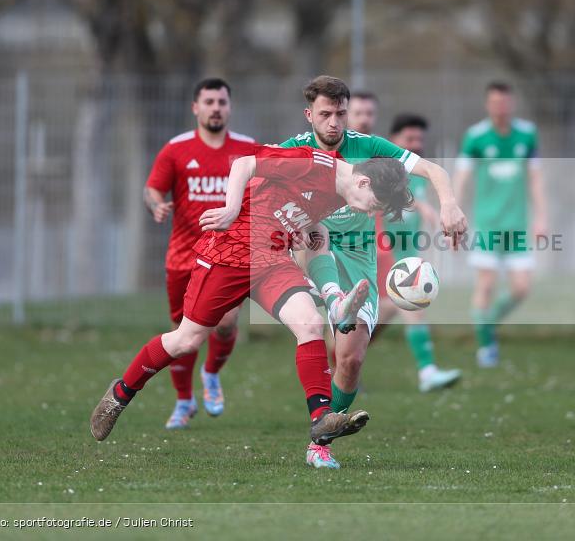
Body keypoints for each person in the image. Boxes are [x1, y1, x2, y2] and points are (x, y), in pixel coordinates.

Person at [91, 145, 414, 471]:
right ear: (363, 183)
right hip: (230, 252)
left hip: (273, 259)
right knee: (186, 340)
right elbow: (245, 164)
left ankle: (321, 417)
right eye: (376, 203)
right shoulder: (314, 165)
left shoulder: (345, 193)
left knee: (310, 324)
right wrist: (232, 209)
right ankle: (120, 393)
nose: (372, 211)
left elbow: (300, 208)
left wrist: (313, 229)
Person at [282, 76, 468, 423]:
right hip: (313, 251)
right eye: (325, 114)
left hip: (358, 259)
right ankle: (321, 428)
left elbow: (432, 169)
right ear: (310, 115)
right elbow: (257, 179)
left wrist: (449, 205)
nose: (334, 122)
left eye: (340, 113)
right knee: (308, 326)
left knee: (350, 360)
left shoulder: (368, 147)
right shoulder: (292, 149)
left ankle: (327, 427)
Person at [144, 77, 257, 430]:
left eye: (221, 102)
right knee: (182, 331)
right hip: (183, 256)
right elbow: (152, 188)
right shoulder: (176, 149)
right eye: (208, 102)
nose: (216, 108)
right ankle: (183, 401)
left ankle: (211, 373)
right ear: (196, 107)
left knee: (226, 322)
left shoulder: (248, 149)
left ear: (229, 107)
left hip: (230, 253)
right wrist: (157, 205)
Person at [453, 81, 548, 367]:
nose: (500, 108)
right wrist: (453, 210)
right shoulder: (476, 137)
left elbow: (535, 179)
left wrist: (542, 217)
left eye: (505, 102)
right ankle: (486, 347)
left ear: (512, 103)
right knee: (486, 283)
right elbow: (461, 177)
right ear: (487, 105)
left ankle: (487, 321)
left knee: (521, 288)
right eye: (495, 103)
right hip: (487, 224)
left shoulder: (527, 135)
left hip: (518, 225)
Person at [374, 114, 462, 392]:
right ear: (394, 141)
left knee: (389, 312)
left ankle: (343, 357)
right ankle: (427, 371)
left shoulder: (420, 172)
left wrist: (445, 229)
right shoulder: (384, 170)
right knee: (410, 308)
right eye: (409, 139)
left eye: (420, 139)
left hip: (407, 254)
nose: (416, 144)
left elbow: (424, 207)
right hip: (384, 254)